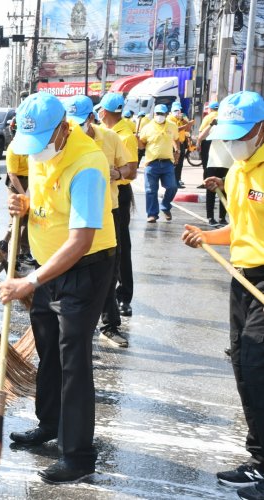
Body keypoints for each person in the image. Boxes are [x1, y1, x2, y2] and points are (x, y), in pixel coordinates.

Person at [2, 92, 116, 484]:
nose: (37, 153)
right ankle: (48, 424)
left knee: (72, 358)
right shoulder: (41, 151)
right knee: (48, 346)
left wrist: (29, 281)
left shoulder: (88, 163)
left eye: (43, 143)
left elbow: (81, 238)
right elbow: (49, 197)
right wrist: (27, 204)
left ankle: (78, 454)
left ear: (64, 129)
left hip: (84, 269)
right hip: (47, 267)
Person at [181, 90, 264, 500]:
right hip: (243, 278)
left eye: (241, 134)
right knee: (244, 367)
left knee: (256, 363)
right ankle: (260, 460)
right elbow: (241, 232)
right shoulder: (238, 172)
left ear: (261, 128)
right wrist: (206, 237)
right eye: (227, 136)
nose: (233, 143)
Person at [67, 94, 133, 348]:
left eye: (79, 121)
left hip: (109, 211)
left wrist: (117, 172)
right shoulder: (66, 139)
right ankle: (79, 324)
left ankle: (109, 325)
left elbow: (131, 168)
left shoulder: (111, 137)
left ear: (92, 118)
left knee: (108, 269)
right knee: (75, 267)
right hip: (73, 212)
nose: (75, 127)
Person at [97, 93, 139, 318]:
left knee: (121, 247)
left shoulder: (125, 134)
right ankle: (104, 296)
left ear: (104, 111)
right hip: (102, 193)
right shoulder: (98, 131)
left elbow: (131, 169)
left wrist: (117, 173)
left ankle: (123, 297)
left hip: (119, 192)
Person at [138, 104, 180, 222]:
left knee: (172, 187)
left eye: (162, 114)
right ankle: (152, 214)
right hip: (152, 163)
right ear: (154, 114)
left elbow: (176, 139)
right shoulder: (147, 127)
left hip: (167, 163)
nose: (159, 116)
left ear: (166, 115)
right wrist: (137, 140)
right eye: (157, 114)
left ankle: (165, 206)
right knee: (151, 190)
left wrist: (177, 150)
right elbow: (142, 145)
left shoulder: (172, 126)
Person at [199, 118, 230, 226]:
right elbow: (201, 137)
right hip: (213, 163)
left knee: (226, 192)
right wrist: (211, 124)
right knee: (211, 192)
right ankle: (210, 217)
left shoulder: (233, 129)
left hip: (227, 164)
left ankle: (222, 217)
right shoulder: (215, 128)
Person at [168, 101, 194, 188]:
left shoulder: (182, 118)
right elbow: (175, 130)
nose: (177, 112)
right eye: (175, 110)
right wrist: (186, 125)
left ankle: (177, 180)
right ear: (171, 111)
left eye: (178, 110)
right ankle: (173, 181)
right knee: (175, 163)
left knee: (180, 164)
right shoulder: (170, 119)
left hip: (182, 142)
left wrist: (184, 120)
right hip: (173, 143)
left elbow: (188, 128)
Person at [198, 101, 220, 181]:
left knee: (206, 163)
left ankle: (206, 181)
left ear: (210, 109)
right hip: (220, 142)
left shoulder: (207, 117)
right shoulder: (222, 116)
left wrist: (198, 142)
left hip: (207, 142)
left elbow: (201, 131)